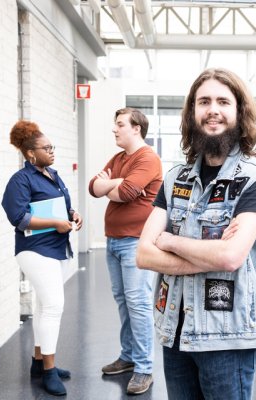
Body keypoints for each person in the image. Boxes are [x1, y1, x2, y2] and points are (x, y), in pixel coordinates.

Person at [136, 68, 256, 400]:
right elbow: (144, 254)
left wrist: (170, 242)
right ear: (192, 112)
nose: (212, 110)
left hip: (227, 338)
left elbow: (230, 257)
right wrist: (210, 254)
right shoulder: (175, 179)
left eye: (223, 101)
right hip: (176, 331)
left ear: (239, 112)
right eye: (203, 102)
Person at [1, 120, 83, 396]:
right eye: (46, 148)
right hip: (34, 250)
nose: (52, 151)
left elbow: (63, 207)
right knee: (53, 307)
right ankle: (49, 370)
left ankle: (39, 362)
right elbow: (19, 218)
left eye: (52, 147)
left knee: (43, 306)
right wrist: (55, 223)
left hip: (56, 248)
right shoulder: (20, 180)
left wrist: (72, 215)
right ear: (30, 153)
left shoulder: (52, 175)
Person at [88, 107, 162, 395]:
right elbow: (93, 187)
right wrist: (114, 183)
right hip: (114, 240)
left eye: (120, 124)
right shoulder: (119, 158)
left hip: (135, 241)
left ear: (136, 128)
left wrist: (114, 186)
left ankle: (144, 368)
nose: (114, 129)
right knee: (123, 301)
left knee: (138, 303)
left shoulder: (147, 158)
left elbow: (126, 192)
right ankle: (129, 356)